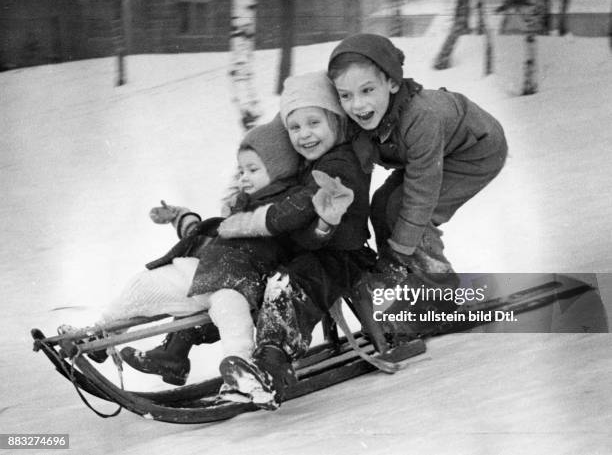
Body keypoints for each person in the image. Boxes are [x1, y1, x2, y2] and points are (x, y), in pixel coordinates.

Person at [116, 116, 354, 390]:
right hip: (223, 278)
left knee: (220, 297)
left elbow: (305, 242)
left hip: (252, 284)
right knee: (201, 284)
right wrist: (179, 215)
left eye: (251, 170)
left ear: (276, 171)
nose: (242, 178)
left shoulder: (280, 211)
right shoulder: (242, 207)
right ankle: (173, 355)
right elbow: (204, 233)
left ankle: (237, 365)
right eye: (240, 171)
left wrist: (324, 224)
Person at [326, 33, 508, 341]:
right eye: (346, 96)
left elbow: (421, 194)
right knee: (383, 203)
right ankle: (411, 289)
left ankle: (438, 294)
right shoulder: (361, 120)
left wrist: (398, 251)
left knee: (407, 211)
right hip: (432, 154)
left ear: (393, 84)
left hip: (476, 151)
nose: (357, 104)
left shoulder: (420, 117)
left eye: (367, 90)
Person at [215, 71, 375, 410]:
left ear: (336, 119)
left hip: (341, 256)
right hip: (312, 250)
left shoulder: (340, 163)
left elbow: (299, 214)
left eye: (314, 122)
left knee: (289, 285)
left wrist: (257, 221)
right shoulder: (310, 161)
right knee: (263, 276)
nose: (305, 135)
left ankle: (273, 363)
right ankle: (226, 352)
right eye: (295, 128)